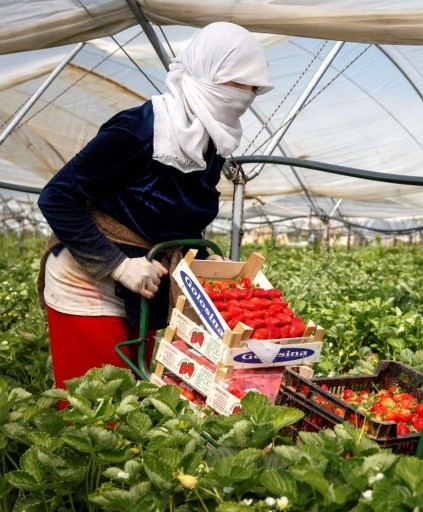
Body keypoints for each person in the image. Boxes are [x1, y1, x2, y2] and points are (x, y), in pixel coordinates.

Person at [36, 22, 273, 392]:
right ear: (206, 73)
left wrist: (214, 281)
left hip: (144, 285)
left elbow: (183, 220)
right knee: (99, 404)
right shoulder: (140, 129)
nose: (246, 96)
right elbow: (56, 198)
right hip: (87, 278)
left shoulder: (209, 143)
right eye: (237, 83)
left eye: (253, 88)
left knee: (135, 397)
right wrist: (118, 266)